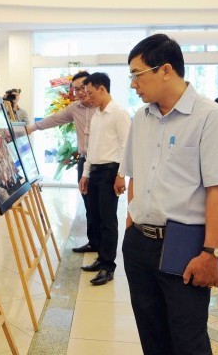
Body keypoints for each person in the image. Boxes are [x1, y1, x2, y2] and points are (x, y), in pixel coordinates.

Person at [122, 33, 218, 354]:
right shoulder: (140, 120)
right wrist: (131, 224)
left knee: (188, 341)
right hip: (139, 245)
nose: (133, 85)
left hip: (185, 248)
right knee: (152, 336)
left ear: (166, 70)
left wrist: (210, 253)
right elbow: (134, 174)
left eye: (137, 75)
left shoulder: (209, 117)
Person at [27, 71, 97, 253]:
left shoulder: (103, 107)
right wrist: (33, 128)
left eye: (83, 87)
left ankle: (106, 252)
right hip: (84, 162)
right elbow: (55, 119)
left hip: (103, 165)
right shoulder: (74, 108)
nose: (80, 92)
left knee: (103, 208)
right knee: (88, 204)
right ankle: (94, 242)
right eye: (76, 89)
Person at [78, 72, 131, 286]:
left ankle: (108, 267)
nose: (87, 97)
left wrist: (121, 175)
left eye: (90, 93)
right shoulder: (97, 115)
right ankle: (101, 258)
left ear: (102, 89)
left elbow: (127, 146)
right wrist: (85, 174)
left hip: (111, 172)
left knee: (108, 221)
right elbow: (92, 148)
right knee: (96, 217)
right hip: (96, 171)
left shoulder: (119, 114)